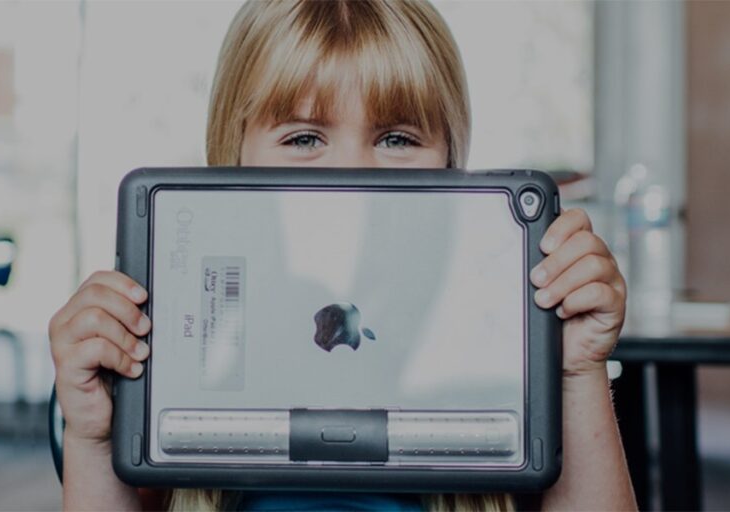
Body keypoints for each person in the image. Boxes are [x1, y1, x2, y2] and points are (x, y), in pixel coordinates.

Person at [49, 1, 634, 510]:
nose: (352, 175)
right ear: (233, 153)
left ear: (452, 163)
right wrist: (91, 439)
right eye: (304, 139)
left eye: (397, 139)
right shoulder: (182, 351)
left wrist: (576, 371)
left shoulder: (495, 343)